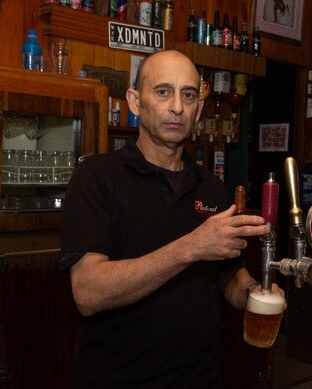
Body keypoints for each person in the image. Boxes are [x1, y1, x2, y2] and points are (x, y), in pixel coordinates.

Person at [61, 49, 285, 388]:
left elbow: (227, 277)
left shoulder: (212, 189)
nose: (177, 106)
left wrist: (255, 292)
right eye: (163, 91)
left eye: (189, 95)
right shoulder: (96, 177)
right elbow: (88, 293)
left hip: (200, 379)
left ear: (198, 110)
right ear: (135, 102)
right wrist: (192, 246)